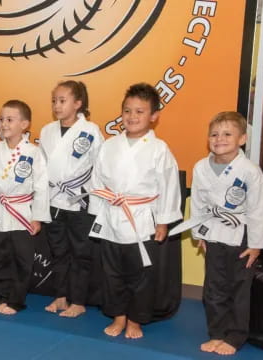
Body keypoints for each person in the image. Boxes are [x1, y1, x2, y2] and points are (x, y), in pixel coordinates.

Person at [87, 83, 182, 338]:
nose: (132, 117)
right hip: (111, 216)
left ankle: (135, 321)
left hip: (142, 219)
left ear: (154, 116)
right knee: (112, 272)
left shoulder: (159, 149)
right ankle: (119, 316)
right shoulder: (109, 145)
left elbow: (169, 185)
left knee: (140, 275)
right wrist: (98, 212)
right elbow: (97, 181)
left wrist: (163, 221)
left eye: (140, 112)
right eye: (127, 111)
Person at [172, 111, 263, 355]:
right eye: (214, 134)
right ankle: (217, 333)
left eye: (227, 134)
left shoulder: (249, 171)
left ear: (242, 139)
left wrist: (256, 245)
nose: (219, 139)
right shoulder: (201, 167)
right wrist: (199, 234)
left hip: (242, 236)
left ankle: (235, 337)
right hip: (213, 232)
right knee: (214, 289)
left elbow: (258, 210)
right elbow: (200, 204)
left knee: (238, 290)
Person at [0, 99, 50, 315]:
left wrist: (38, 217)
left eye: (10, 120)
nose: (4, 124)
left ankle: (16, 300)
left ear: (25, 125)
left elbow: (42, 187)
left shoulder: (33, 152)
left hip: (22, 212)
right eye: (2, 119)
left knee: (21, 259)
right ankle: (2, 294)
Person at [40, 80, 104, 317]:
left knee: (81, 252)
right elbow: (42, 166)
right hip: (54, 199)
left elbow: (100, 168)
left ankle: (78, 301)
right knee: (58, 251)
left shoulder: (91, 131)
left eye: (62, 100)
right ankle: (61, 297)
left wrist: (97, 201)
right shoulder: (47, 131)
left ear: (78, 103)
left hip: (80, 200)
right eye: (54, 101)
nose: (57, 105)